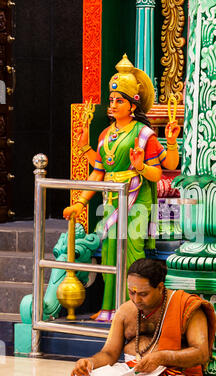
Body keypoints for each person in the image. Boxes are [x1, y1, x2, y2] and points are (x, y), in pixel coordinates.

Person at [63, 54, 180, 322]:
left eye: (119, 100)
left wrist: (141, 165)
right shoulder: (106, 134)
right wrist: (81, 201)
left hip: (137, 199)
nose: (113, 105)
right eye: (112, 99)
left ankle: (132, 310)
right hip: (112, 200)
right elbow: (100, 170)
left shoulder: (143, 134)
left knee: (132, 253)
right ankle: (109, 309)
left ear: (132, 104)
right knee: (108, 253)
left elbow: (162, 169)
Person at [56, 259, 216, 376]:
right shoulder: (126, 311)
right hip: (130, 373)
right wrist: (89, 363)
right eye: (131, 292)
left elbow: (201, 353)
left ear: (160, 287)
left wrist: (161, 358)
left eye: (143, 294)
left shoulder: (186, 307)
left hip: (172, 375)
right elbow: (109, 354)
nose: (136, 299)